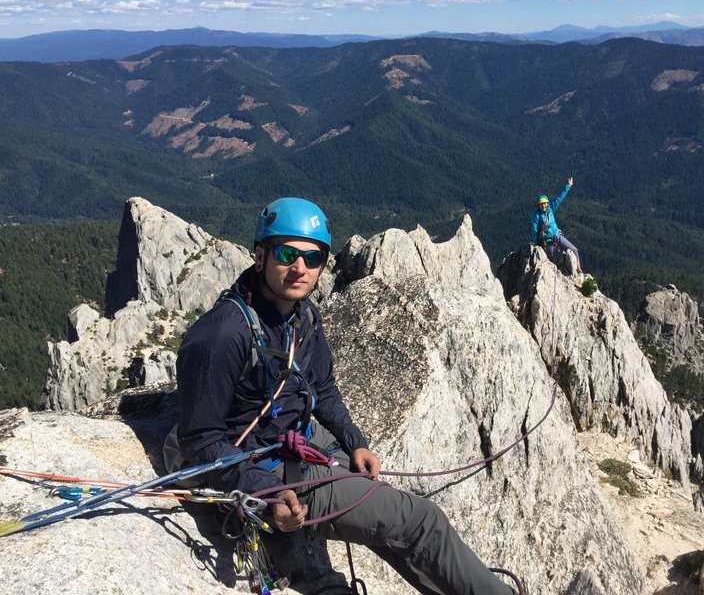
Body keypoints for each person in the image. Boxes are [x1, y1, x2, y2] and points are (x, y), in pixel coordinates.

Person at [174, 197, 515, 595]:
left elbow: (324, 389)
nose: (300, 268)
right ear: (260, 254)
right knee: (422, 520)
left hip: (291, 447)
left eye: (313, 257)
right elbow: (200, 441)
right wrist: (264, 492)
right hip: (267, 471)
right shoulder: (222, 335)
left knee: (398, 524)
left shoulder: (302, 316)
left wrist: (355, 442)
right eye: (287, 254)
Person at [530, 176, 582, 273]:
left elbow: (559, 198)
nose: (543, 205)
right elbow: (534, 229)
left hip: (557, 236)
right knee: (551, 263)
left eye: (545, 203)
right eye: (541, 204)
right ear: (538, 205)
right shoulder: (536, 215)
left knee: (575, 250)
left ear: (548, 204)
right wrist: (534, 241)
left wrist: (568, 186)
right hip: (547, 242)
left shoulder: (550, 210)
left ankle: (579, 270)